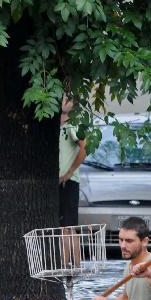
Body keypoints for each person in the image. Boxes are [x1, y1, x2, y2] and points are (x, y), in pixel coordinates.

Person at [59, 95, 86, 226]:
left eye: (68, 99)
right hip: (60, 181)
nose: (64, 101)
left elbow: (84, 147)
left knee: (67, 228)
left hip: (68, 181)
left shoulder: (72, 124)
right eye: (63, 98)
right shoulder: (61, 124)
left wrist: (69, 172)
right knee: (63, 227)